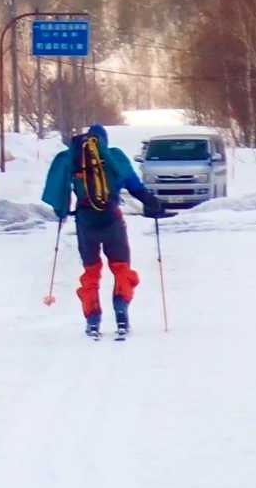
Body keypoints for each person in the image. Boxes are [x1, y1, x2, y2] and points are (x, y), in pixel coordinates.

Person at [41, 124, 167, 339]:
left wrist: (61, 212)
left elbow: (59, 189)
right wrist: (151, 202)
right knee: (121, 267)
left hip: (85, 221)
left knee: (91, 271)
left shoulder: (73, 159)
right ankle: (121, 313)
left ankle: (92, 320)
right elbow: (134, 186)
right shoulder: (113, 157)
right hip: (111, 219)